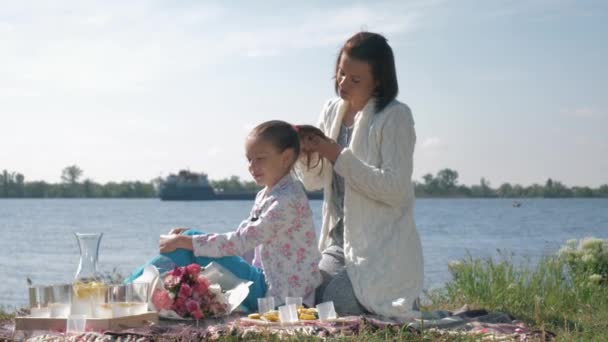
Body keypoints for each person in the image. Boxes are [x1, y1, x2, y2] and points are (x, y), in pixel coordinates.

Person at [126, 120, 322, 311]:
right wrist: (190, 239)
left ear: (286, 157)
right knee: (189, 244)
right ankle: (131, 291)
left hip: (278, 295)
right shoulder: (268, 194)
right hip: (266, 283)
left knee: (189, 245)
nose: (252, 166)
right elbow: (244, 244)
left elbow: (240, 241)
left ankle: (125, 292)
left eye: (260, 158)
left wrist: (189, 241)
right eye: (249, 159)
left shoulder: (288, 200)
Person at [295, 31, 424, 319]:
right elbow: (314, 182)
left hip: (381, 247)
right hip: (338, 243)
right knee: (307, 295)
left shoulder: (395, 116)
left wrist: (337, 155)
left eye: (355, 80)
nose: (342, 84)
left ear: (378, 81)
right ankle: (383, 302)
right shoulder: (331, 111)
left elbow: (395, 190)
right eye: (341, 73)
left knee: (338, 303)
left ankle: (401, 302)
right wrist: (308, 154)